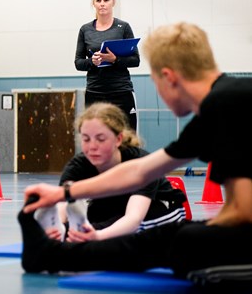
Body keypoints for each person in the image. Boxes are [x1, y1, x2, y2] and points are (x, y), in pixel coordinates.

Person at [18, 22, 252, 290]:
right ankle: (50, 255)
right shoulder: (222, 102)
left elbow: (242, 215)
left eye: (154, 82)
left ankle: (51, 255)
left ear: (169, 77)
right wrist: (63, 194)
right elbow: (141, 171)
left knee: (185, 243)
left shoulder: (226, 105)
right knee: (174, 236)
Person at [36, 102, 186, 243]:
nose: (92, 147)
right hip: (113, 210)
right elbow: (63, 205)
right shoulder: (78, 165)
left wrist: (97, 236)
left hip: (157, 211)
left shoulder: (142, 162)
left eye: (101, 139)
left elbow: (134, 218)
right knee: (81, 227)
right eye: (86, 139)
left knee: (119, 233)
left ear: (118, 139)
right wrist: (55, 229)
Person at [74, 0, 140, 131]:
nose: (102, 4)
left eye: (106, 0)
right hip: (95, 92)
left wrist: (114, 59)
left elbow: (135, 60)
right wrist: (92, 61)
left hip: (121, 91)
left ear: (113, 2)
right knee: (96, 135)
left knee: (127, 138)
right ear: (93, 3)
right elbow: (78, 62)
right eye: (98, 1)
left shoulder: (123, 27)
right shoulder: (85, 30)